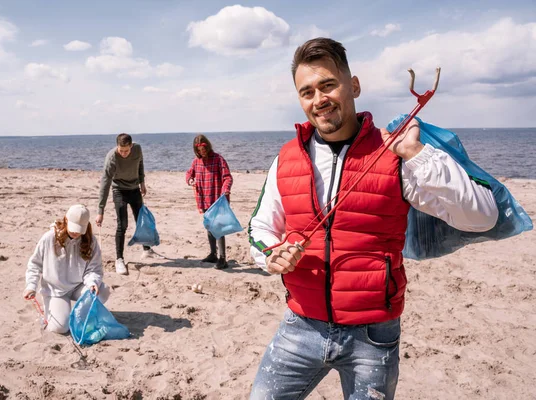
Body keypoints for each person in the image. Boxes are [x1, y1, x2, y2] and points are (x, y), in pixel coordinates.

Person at [247, 38, 499, 399]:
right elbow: (260, 227)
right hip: (300, 326)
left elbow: (482, 217)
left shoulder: (395, 152)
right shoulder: (286, 158)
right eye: (307, 92)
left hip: (373, 336)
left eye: (328, 85)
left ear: (354, 86)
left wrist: (417, 154)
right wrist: (272, 254)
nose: (318, 99)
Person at [23, 204, 110, 334]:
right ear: (66, 220)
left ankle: (78, 312)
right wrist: (31, 286)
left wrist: (92, 282)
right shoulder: (49, 238)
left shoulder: (91, 240)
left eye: (80, 229)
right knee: (60, 328)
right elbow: (35, 264)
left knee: (103, 291)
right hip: (56, 290)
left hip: (78, 286)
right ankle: (54, 306)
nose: (76, 233)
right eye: (74, 228)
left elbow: (94, 268)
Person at [96, 133, 153, 275]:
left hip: (134, 189)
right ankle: (119, 259)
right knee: (123, 224)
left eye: (126, 151)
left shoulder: (137, 149)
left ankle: (147, 249)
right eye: (121, 151)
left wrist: (142, 182)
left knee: (141, 220)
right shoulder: (112, 158)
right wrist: (100, 211)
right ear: (117, 146)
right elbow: (105, 183)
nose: (124, 154)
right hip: (119, 190)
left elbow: (140, 164)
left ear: (131, 146)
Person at [186, 134, 233, 270]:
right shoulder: (196, 161)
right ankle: (213, 254)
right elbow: (189, 173)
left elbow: (227, 177)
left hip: (218, 199)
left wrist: (226, 190)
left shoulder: (218, 159)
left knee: (218, 228)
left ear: (208, 146)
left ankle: (222, 258)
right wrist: (190, 180)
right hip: (204, 199)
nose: (202, 152)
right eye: (199, 150)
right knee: (209, 226)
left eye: (204, 148)